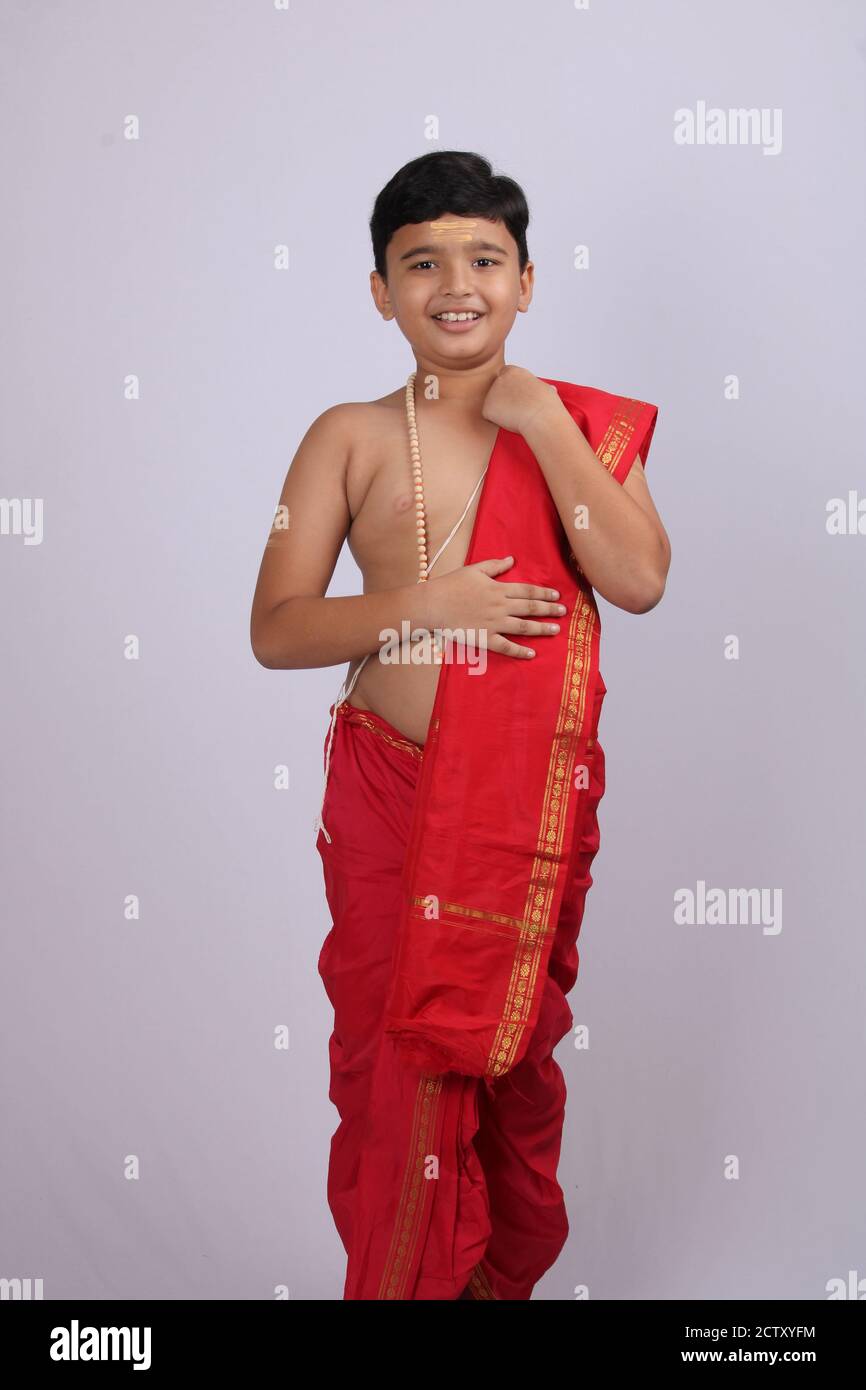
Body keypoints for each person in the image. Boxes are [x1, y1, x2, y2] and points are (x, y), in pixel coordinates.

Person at [250, 149, 670, 1300]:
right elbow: (278, 629)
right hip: (389, 798)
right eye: (420, 260)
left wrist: (535, 419)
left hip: (518, 818)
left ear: (525, 282)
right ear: (379, 289)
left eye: (485, 258)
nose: (456, 281)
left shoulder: (576, 425)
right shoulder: (347, 434)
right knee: (397, 1071)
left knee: (513, 1077)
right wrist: (424, 607)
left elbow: (636, 580)